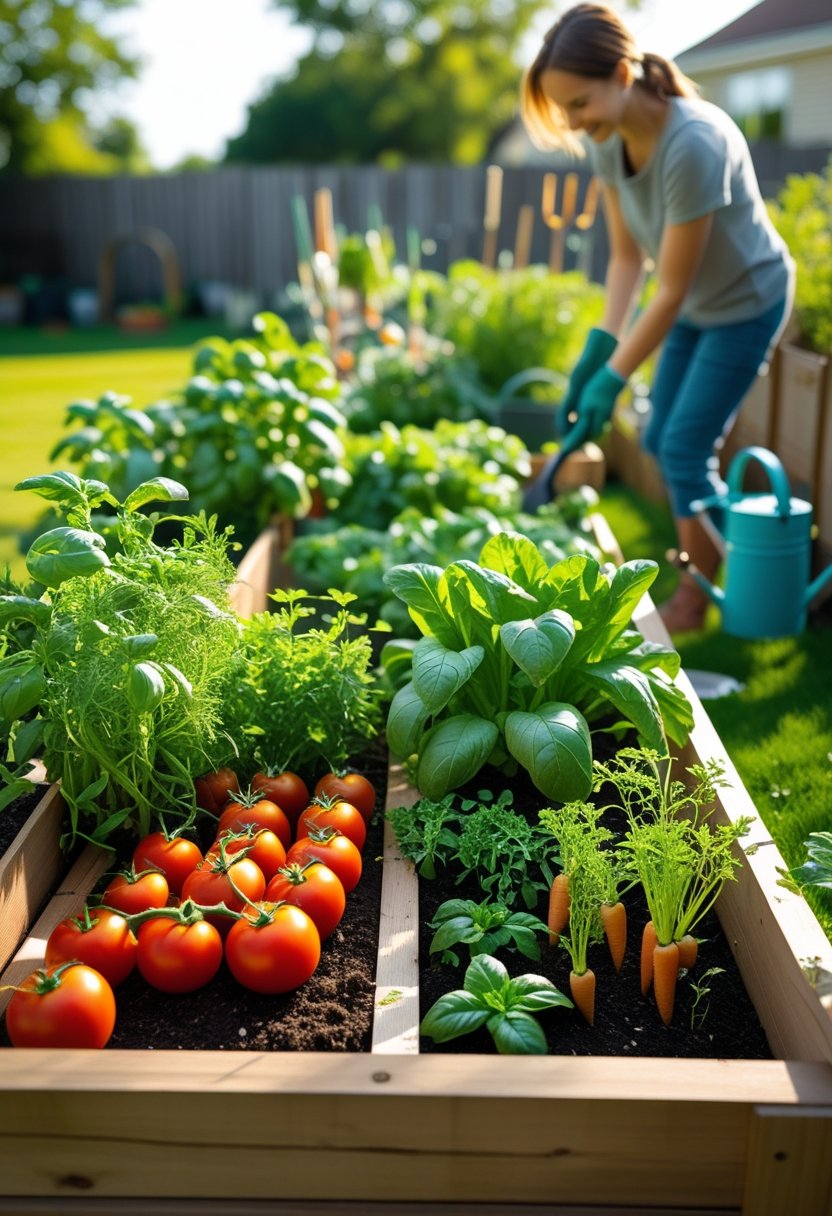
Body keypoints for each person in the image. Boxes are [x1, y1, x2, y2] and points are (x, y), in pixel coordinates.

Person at [521, 3, 795, 632]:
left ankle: (695, 599)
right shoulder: (609, 144)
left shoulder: (693, 143)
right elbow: (626, 260)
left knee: (681, 445)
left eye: (578, 103)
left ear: (622, 74)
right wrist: (599, 348)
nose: (572, 121)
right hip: (698, 303)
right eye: (563, 109)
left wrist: (613, 379)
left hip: (746, 303)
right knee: (658, 439)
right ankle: (738, 549)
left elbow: (670, 289)